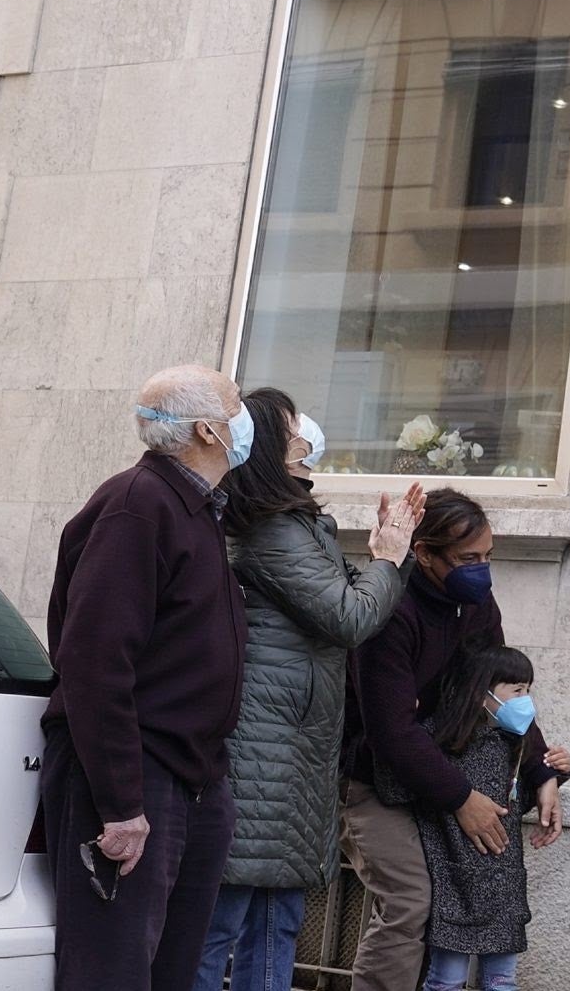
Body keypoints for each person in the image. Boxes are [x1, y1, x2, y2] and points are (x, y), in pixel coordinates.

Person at [193, 389, 424, 991]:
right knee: (229, 916)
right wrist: (389, 557)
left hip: (293, 749)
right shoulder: (271, 528)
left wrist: (378, 557)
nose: (308, 434)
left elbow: (341, 598)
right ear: (274, 444)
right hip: (266, 748)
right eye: (294, 426)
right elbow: (349, 616)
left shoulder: (291, 523)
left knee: (275, 917)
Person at [41, 364, 252, 991]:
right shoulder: (138, 505)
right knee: (113, 971)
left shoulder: (196, 508)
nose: (249, 420)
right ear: (210, 430)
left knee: (170, 972)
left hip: (194, 775)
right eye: (237, 405)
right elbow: (94, 661)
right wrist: (122, 804)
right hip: (137, 776)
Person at [339, 490, 570, 991]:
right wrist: (463, 799)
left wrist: (541, 773)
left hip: (443, 781)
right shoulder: (390, 610)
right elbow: (390, 731)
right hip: (374, 783)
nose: (482, 570)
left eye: (488, 556)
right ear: (423, 553)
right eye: (468, 559)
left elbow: (501, 693)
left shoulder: (476, 602)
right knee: (411, 902)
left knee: (450, 901)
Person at [415, 643, 568, 991]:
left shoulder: (513, 743)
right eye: (516, 690)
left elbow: (511, 806)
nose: (525, 700)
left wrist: (556, 774)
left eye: (528, 690)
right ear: (483, 692)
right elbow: (406, 783)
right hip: (455, 885)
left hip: (503, 888)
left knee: (502, 982)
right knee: (446, 980)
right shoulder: (443, 740)